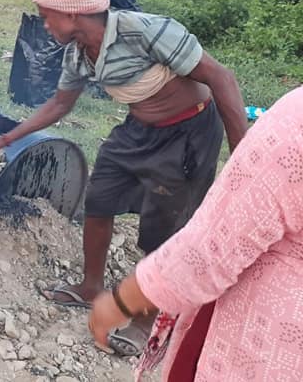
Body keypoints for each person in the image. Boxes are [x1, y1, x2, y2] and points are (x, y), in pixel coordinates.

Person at [0, 0, 248, 355]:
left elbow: (222, 79)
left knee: (163, 229)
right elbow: (60, 104)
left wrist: (244, 160)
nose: (44, 24)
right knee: (98, 199)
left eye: (47, 15)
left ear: (72, 13)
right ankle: (91, 287)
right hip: (137, 130)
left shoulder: (147, 31)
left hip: (187, 134)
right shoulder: (79, 53)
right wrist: (6, 138)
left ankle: (147, 320)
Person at [88, 85, 303, 381]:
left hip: (262, 348)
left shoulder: (295, 121)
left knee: (163, 220)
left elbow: (210, 250)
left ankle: (142, 322)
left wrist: (123, 301)